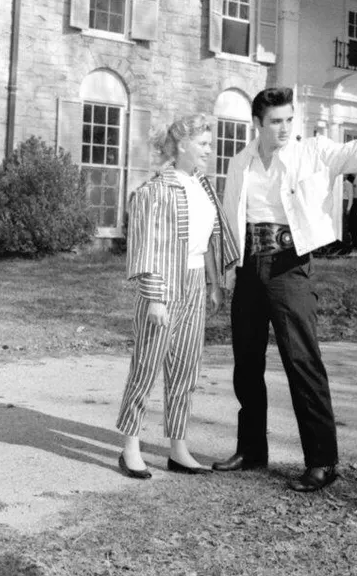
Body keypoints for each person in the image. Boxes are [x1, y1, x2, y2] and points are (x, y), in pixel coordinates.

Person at [212, 87, 357, 492]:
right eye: (275, 121)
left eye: (288, 120)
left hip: (289, 266)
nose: (284, 128)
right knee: (246, 364)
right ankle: (252, 449)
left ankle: (322, 461)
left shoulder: (311, 151)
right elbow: (228, 221)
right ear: (258, 124)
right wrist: (224, 278)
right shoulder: (239, 162)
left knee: (301, 361)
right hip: (247, 268)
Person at [116, 114, 239, 478]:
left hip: (195, 283)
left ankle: (178, 447)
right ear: (182, 145)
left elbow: (212, 241)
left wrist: (214, 285)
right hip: (163, 286)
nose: (209, 149)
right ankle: (130, 447)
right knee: (147, 366)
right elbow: (145, 245)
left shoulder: (203, 187)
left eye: (208, 143)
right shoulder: (153, 191)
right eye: (203, 143)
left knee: (185, 369)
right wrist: (154, 297)